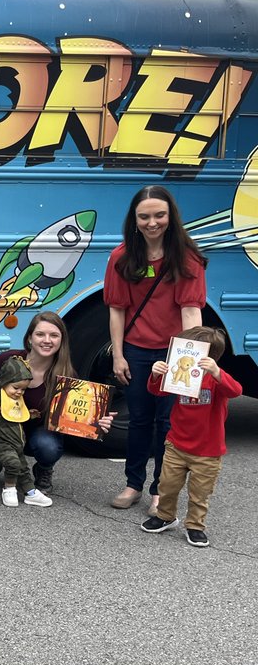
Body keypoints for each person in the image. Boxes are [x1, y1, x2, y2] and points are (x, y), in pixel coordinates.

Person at [105, 184, 207, 512]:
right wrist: (118, 355)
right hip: (136, 350)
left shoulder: (186, 258)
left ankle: (160, 491)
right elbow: (117, 309)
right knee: (138, 420)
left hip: (175, 353)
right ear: (134, 220)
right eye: (145, 216)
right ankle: (132, 484)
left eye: (159, 215)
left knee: (168, 425)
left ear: (170, 217)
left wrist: (191, 361)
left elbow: (191, 312)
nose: (153, 222)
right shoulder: (122, 257)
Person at [142, 326, 240, 547]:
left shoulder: (216, 380)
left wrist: (216, 372)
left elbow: (235, 391)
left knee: (200, 493)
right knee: (166, 485)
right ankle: (165, 516)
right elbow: (158, 391)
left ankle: (195, 526)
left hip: (208, 451)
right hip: (177, 444)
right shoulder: (180, 373)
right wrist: (156, 375)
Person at [0, 310, 83, 492]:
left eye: (54, 335)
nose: (47, 340)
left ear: (62, 341)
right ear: (30, 338)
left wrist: (94, 422)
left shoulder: (67, 376)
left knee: (49, 447)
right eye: (40, 334)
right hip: (3, 427)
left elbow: (73, 416)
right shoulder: (7, 360)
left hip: (38, 431)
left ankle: (43, 469)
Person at [0, 356, 54, 508]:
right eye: (16, 388)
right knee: (13, 464)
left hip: (17, 442)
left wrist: (30, 414)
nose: (19, 392)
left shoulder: (17, 398)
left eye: (23, 389)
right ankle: (9, 488)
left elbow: (16, 414)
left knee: (23, 469)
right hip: (1, 441)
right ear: (4, 381)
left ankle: (30, 493)